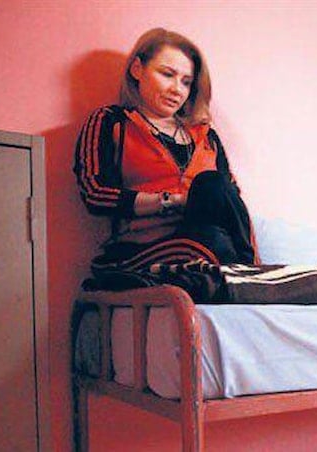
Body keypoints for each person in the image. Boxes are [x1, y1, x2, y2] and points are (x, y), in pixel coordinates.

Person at [74, 28, 254, 300]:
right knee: (212, 244)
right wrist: (175, 201)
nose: (177, 90)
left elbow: (232, 203)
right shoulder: (111, 122)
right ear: (137, 69)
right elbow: (95, 194)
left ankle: (250, 272)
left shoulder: (206, 136)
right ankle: (246, 278)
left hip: (208, 237)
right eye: (167, 74)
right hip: (142, 246)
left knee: (213, 186)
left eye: (186, 82)